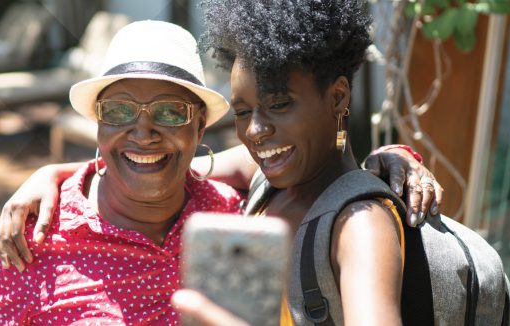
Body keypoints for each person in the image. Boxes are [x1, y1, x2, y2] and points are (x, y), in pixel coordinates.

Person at [0, 20, 244, 325]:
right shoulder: (33, 240)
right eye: (119, 110)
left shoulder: (230, 215)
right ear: (99, 122)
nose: (143, 134)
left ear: (200, 125)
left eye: (169, 111)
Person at [173, 0, 421, 324]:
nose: (255, 131)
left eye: (279, 104)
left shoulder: (360, 224)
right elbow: (163, 170)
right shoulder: (268, 178)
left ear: (337, 97)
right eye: (243, 112)